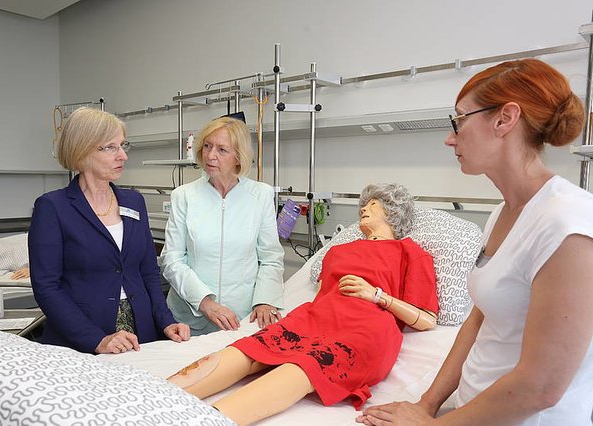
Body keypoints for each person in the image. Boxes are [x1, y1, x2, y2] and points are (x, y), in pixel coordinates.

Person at [357, 59, 593, 426]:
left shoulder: (568, 225)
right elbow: (479, 316)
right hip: (470, 411)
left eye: (460, 120)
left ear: (504, 119)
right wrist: (427, 405)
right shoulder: (503, 213)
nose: (450, 138)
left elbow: (542, 387)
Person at [167, 183, 439, 425]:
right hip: (316, 317)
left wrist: (378, 295)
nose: (364, 209)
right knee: (249, 349)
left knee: (306, 365)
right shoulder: (338, 250)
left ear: (392, 211)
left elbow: (427, 319)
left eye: (373, 204)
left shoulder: (410, 252)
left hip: (366, 328)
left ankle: (204, 420)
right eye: (363, 205)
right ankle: (153, 396)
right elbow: (323, 294)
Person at [28, 107, 190, 354]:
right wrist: (96, 339)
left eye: (123, 145)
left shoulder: (134, 202)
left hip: (141, 332)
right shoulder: (53, 207)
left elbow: (148, 273)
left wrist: (165, 321)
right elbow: (47, 288)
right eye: (110, 147)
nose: (123, 156)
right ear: (82, 150)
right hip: (82, 337)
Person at [161, 116, 284, 336]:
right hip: (190, 318)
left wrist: (264, 300)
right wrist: (205, 302)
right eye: (207, 146)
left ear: (239, 157)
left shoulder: (260, 195)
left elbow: (270, 257)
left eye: (222, 150)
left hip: (241, 319)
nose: (210, 155)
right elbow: (172, 260)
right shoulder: (184, 196)